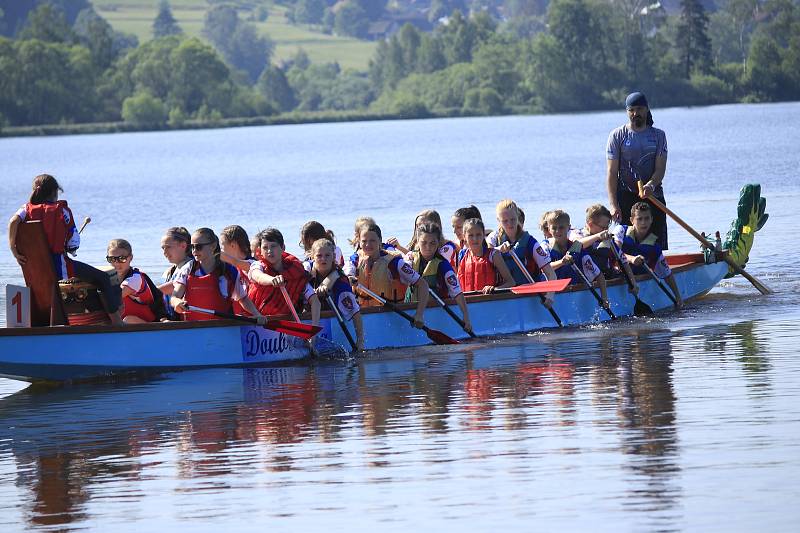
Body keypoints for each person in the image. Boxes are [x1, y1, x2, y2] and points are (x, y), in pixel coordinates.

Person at [8, 174, 123, 325]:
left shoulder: (26, 210)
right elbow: (73, 243)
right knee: (103, 278)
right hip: (58, 267)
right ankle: (117, 323)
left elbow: (13, 221)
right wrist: (70, 248)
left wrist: (13, 249)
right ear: (55, 192)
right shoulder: (62, 211)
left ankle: (37, 324)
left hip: (35, 270)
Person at [606, 91, 669, 248]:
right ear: (627, 112)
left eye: (640, 109)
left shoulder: (659, 136)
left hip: (653, 196)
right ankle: (628, 269)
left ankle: (659, 267)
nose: (636, 113)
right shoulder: (617, 135)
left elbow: (660, 169)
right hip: (625, 198)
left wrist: (651, 185)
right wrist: (614, 205)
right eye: (632, 110)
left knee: (655, 245)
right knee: (625, 244)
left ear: (647, 109)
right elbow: (612, 173)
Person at [170, 228, 264, 321]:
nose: (194, 251)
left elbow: (243, 298)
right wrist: (177, 302)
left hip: (221, 328)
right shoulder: (187, 269)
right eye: (192, 247)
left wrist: (256, 314)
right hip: (193, 328)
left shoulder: (229, 271)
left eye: (198, 247)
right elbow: (174, 297)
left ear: (213, 246)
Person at [354, 222, 430, 328]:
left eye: (372, 241)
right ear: (359, 242)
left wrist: (419, 314)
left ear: (380, 241)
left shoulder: (395, 263)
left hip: (391, 318)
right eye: (364, 241)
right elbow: (347, 272)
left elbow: (423, 284)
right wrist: (349, 277)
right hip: (364, 315)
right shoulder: (355, 259)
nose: (367, 245)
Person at [405, 223, 473, 334]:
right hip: (410, 311)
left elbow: (457, 293)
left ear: (438, 243)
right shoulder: (410, 258)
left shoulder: (443, 265)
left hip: (433, 311)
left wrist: (466, 318)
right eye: (424, 242)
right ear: (417, 241)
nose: (428, 247)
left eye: (432, 243)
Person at [615, 202, 683, 309]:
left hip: (639, 278)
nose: (643, 223)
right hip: (617, 275)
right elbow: (615, 252)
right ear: (632, 220)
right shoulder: (621, 231)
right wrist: (632, 259)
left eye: (646, 218)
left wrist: (678, 298)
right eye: (639, 219)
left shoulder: (655, 247)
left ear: (651, 219)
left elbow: (667, 274)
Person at [248, 227, 321, 324]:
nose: (269, 251)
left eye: (273, 246)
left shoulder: (296, 272)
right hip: (256, 322)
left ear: (283, 248)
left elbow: (315, 301)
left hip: (283, 324)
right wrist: (272, 280)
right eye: (265, 247)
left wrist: (314, 329)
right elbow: (258, 276)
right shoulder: (257, 265)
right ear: (260, 251)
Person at [308, 238, 365, 351]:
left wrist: (360, 341)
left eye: (327, 255)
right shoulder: (307, 269)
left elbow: (355, 313)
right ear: (312, 257)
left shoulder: (341, 283)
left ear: (334, 257)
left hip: (334, 313)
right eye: (319, 256)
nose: (323, 259)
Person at [487, 199, 557, 288]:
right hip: (503, 291)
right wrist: (498, 249)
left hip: (527, 291)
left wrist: (549, 296)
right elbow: (485, 253)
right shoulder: (493, 238)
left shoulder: (531, 242)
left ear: (518, 216)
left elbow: (551, 275)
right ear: (498, 220)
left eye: (513, 219)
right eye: (505, 221)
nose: (510, 224)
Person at [545, 210, 609, 307]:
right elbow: (544, 268)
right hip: (552, 294)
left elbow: (599, 275)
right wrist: (562, 262)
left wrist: (604, 298)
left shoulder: (577, 248)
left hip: (573, 294)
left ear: (569, 228)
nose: (557, 231)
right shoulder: (545, 246)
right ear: (549, 229)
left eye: (561, 227)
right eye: (554, 228)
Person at [573, 204, 639, 289]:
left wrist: (633, 283)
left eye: (607, 227)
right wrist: (597, 236)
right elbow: (576, 246)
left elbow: (624, 261)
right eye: (603, 227)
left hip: (604, 279)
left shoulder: (607, 239)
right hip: (583, 282)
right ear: (590, 224)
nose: (606, 230)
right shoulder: (576, 233)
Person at [107, 239, 165, 324]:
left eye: (121, 258)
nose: (116, 263)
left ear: (131, 258)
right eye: (112, 259)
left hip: (151, 325)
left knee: (128, 320)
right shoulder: (110, 278)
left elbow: (116, 296)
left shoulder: (135, 278)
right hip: (128, 325)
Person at [457, 218, 515, 294]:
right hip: (468, 302)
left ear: (483, 235)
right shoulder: (462, 255)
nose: (475, 239)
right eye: (471, 235)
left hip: (488, 300)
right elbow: (456, 285)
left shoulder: (493, 255)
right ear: (464, 237)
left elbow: (511, 282)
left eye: (478, 234)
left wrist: (495, 289)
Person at [388, 209, 459, 268]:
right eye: (417, 225)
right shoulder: (415, 244)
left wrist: (400, 249)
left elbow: (428, 261)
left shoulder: (447, 247)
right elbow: (411, 260)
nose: (419, 229)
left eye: (422, 225)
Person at [220, 225, 257, 316]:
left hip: (256, 317)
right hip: (239, 318)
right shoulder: (228, 268)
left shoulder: (254, 264)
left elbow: (243, 265)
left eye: (222, 246)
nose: (221, 250)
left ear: (233, 245)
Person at [159, 226, 192, 320]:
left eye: (168, 247)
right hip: (169, 316)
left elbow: (171, 286)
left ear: (183, 245)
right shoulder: (171, 270)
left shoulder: (191, 266)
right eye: (163, 248)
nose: (164, 252)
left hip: (182, 320)